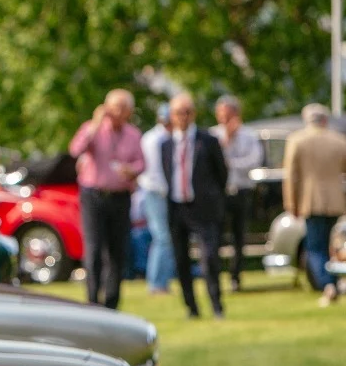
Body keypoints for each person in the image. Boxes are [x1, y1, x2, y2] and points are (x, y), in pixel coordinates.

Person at [68, 88, 145, 308]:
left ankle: (112, 302)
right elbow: (76, 149)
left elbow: (142, 163)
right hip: (93, 196)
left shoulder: (133, 134)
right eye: (114, 107)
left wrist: (131, 170)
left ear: (129, 111)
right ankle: (92, 299)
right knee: (93, 249)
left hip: (120, 197)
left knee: (117, 251)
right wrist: (94, 124)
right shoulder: (93, 130)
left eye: (123, 108)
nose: (118, 112)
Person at [283, 103, 346, 305]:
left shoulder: (297, 140)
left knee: (315, 247)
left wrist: (291, 203)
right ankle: (334, 281)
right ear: (325, 120)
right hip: (336, 201)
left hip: (310, 201)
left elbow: (290, 175)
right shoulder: (339, 140)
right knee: (332, 245)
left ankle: (328, 285)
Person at [161, 92, 228, 318]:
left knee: (209, 258)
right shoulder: (166, 145)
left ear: (193, 114)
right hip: (177, 207)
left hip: (203, 208)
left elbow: (222, 174)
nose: (183, 117)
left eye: (187, 112)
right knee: (180, 259)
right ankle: (192, 307)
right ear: (172, 116)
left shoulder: (207, 141)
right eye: (178, 113)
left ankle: (216, 304)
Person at [214, 94, 264, 291]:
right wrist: (227, 140)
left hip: (242, 190)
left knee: (239, 236)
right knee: (216, 236)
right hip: (220, 192)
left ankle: (236, 276)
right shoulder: (214, 135)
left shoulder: (248, 135)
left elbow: (254, 161)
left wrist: (231, 164)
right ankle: (215, 274)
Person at [137, 103, 174, 295]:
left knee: (166, 238)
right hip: (155, 192)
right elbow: (156, 172)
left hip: (164, 193)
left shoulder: (167, 137)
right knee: (162, 237)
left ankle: (162, 281)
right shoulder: (153, 139)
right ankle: (157, 283)